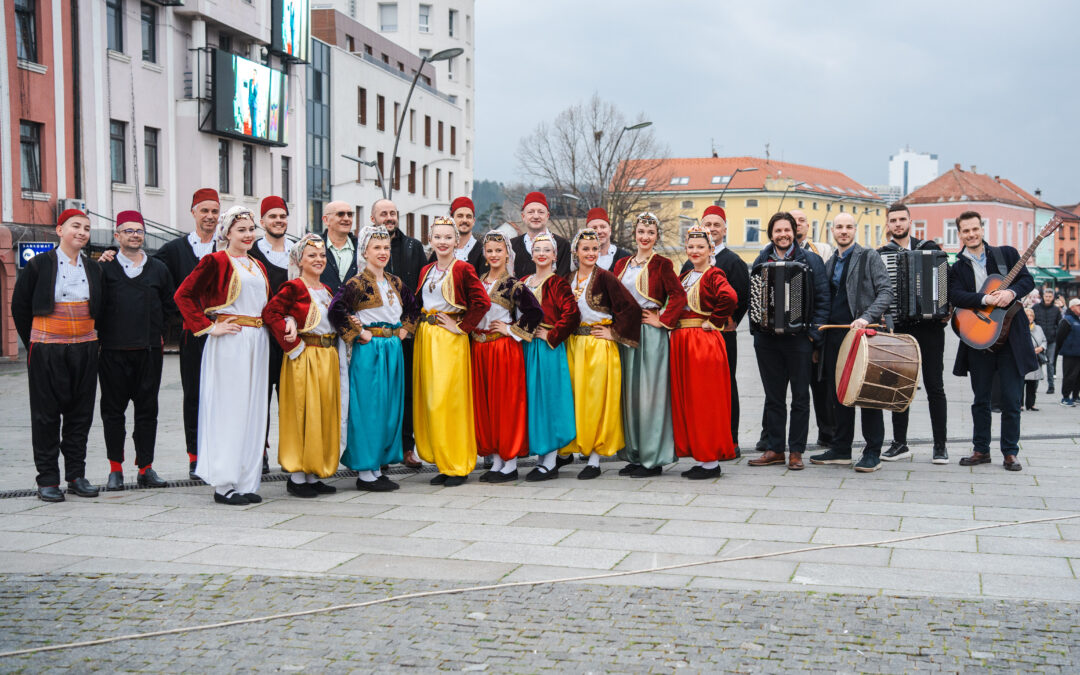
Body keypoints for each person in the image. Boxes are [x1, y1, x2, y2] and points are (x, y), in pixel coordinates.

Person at [174, 206, 271, 504]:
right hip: (231, 341)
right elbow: (183, 295)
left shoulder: (257, 264)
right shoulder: (215, 261)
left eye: (251, 229)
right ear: (227, 233)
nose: (248, 235)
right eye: (241, 230)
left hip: (258, 340)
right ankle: (224, 484)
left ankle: (245, 481)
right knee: (230, 409)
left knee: (253, 410)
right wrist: (208, 327)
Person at [12, 209, 103, 502]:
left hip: (85, 347)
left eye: (86, 228)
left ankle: (76, 475)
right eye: (76, 226)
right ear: (60, 229)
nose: (82, 232)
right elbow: (20, 306)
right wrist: (37, 342)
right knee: (46, 416)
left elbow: (103, 308)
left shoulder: (94, 268)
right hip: (46, 348)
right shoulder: (39, 265)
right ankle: (47, 479)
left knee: (81, 414)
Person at [329, 226, 420, 491]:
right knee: (368, 408)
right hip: (370, 351)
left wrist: (405, 329)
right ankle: (365, 471)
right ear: (365, 251)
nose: (382, 252)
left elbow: (413, 308)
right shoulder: (356, 284)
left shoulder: (395, 282)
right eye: (376, 248)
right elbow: (336, 311)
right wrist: (359, 332)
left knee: (389, 407)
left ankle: (377, 466)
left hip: (392, 349)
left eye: (386, 248)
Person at [950, 210, 1036, 471]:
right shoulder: (957, 266)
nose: (971, 234)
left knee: (1011, 400)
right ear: (960, 234)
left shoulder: (1005, 254)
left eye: (975, 229)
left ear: (982, 228)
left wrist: (1011, 293)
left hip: (1011, 340)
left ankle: (1010, 452)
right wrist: (985, 299)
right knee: (981, 400)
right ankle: (981, 450)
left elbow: (1027, 280)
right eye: (966, 231)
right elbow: (955, 295)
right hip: (980, 339)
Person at [809, 213, 893, 472]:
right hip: (834, 336)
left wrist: (866, 317)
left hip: (862, 335)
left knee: (867, 394)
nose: (843, 231)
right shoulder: (830, 261)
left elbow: (886, 291)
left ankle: (872, 452)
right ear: (832, 231)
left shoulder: (869, 256)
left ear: (855, 230)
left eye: (848, 227)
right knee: (840, 394)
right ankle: (841, 449)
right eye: (839, 227)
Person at [97, 210, 174, 491]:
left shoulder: (158, 269)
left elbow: (170, 306)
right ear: (117, 236)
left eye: (139, 231)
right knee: (112, 412)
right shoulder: (103, 268)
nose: (135, 235)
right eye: (128, 231)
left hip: (148, 352)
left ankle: (146, 468)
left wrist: (156, 332)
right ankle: (115, 470)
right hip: (113, 351)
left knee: (147, 411)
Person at [262, 234, 343, 498]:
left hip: (327, 357)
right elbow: (270, 313)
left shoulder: (327, 290)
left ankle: (313, 472)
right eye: (312, 255)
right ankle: (297, 476)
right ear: (299, 260)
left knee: (321, 413)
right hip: (304, 356)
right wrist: (292, 342)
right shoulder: (294, 287)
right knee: (302, 413)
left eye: (321, 255)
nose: (318, 259)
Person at [747, 213, 829, 470]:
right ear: (771, 234)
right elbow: (753, 297)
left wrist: (813, 335)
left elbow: (823, 300)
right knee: (774, 397)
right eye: (778, 230)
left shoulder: (811, 260)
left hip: (799, 339)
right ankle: (774, 449)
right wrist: (757, 330)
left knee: (801, 397)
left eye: (787, 230)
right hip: (767, 341)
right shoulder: (762, 259)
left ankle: (796, 451)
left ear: (794, 232)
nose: (783, 235)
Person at [413, 217, 491, 486]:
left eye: (448, 237)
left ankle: (458, 464)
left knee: (450, 401)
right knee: (432, 400)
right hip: (427, 338)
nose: (443, 242)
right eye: (438, 237)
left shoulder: (463, 268)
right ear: (430, 240)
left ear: (457, 241)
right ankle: (444, 462)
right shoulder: (427, 270)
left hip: (449, 341)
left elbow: (482, 302)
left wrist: (461, 327)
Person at [558, 227, 641, 479]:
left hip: (597, 347)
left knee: (596, 401)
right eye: (586, 249)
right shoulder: (568, 279)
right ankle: (573, 448)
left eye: (595, 249)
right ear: (576, 251)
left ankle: (594, 459)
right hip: (573, 346)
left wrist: (614, 332)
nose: (591, 253)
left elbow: (630, 308)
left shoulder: (606, 278)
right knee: (575, 400)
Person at [613, 213, 687, 477]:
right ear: (634, 233)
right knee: (630, 395)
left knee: (650, 395)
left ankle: (653, 458)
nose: (645, 237)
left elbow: (679, 296)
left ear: (657, 236)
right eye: (641, 232)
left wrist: (662, 319)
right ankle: (635, 454)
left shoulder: (662, 264)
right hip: (626, 334)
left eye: (650, 233)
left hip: (650, 335)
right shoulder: (621, 264)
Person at [154, 187, 220, 478]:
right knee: (193, 393)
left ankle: (220, 452)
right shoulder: (173, 250)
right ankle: (195, 456)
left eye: (215, 211)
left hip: (225, 331)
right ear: (193, 212)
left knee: (223, 394)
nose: (210, 216)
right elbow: (151, 274)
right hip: (191, 333)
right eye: (204, 210)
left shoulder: (228, 247)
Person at [877, 203, 949, 464]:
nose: (898, 224)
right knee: (899, 386)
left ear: (910, 221)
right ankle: (900, 443)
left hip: (929, 328)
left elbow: (944, 279)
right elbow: (877, 290)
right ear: (888, 224)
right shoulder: (881, 255)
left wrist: (945, 305)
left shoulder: (929, 248)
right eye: (893, 220)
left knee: (935, 386)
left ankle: (940, 445)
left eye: (902, 219)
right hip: (899, 328)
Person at [472, 232, 543, 482]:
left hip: (503, 350)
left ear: (507, 254)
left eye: (498, 251)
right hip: (479, 349)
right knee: (486, 406)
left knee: (506, 405)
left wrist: (511, 329)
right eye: (490, 251)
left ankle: (510, 463)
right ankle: (496, 461)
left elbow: (535, 313)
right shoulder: (478, 282)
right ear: (484, 253)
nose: (494, 255)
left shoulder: (514, 285)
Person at [670, 224, 738, 479]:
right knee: (690, 400)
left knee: (704, 400)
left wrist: (715, 320)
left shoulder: (713, 274)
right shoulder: (687, 275)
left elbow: (730, 297)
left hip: (701, 343)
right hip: (684, 342)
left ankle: (711, 461)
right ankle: (702, 457)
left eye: (701, 247)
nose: (695, 251)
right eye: (691, 246)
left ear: (711, 250)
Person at [680, 206, 749, 457]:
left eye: (716, 225)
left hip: (722, 333)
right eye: (707, 224)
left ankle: (731, 439)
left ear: (725, 229)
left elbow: (741, 296)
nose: (711, 228)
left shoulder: (733, 261)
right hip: (694, 336)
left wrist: (725, 321)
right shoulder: (689, 262)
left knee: (726, 384)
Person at [520, 234, 580, 481]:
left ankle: (551, 461)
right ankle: (540, 457)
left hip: (547, 350)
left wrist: (552, 334)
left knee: (550, 400)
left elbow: (572, 314)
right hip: (526, 348)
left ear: (555, 255)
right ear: (531, 254)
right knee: (533, 400)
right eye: (538, 249)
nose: (542, 253)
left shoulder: (558, 284)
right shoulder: (523, 281)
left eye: (547, 250)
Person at [377, 198, 426, 469]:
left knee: (407, 391)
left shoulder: (413, 247)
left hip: (407, 333)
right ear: (373, 218)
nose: (389, 217)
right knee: (380, 392)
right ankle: (381, 448)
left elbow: (420, 291)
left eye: (393, 213)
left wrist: (409, 327)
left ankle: (407, 447)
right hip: (376, 335)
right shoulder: (367, 247)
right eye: (383, 213)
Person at [248, 195, 293, 474]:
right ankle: (260, 452)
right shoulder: (252, 252)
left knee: (290, 399)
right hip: (262, 335)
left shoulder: (297, 252)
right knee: (260, 397)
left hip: (290, 336)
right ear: (262, 221)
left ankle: (291, 453)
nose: (278, 221)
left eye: (282, 216)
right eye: (273, 216)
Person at [791, 208, 835, 450]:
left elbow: (826, 291)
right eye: (793, 220)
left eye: (802, 220)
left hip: (814, 327)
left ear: (808, 226)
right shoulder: (772, 250)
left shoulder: (822, 250)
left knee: (821, 385)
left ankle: (827, 433)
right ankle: (769, 436)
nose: (798, 224)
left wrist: (818, 336)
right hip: (787, 332)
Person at [511, 192, 571, 277]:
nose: (536, 216)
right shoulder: (512, 246)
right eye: (531, 212)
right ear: (523, 216)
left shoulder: (562, 245)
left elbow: (564, 277)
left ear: (547, 216)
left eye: (541, 212)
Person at [430, 196, 486, 273]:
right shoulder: (441, 249)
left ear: (473, 221)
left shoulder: (482, 252)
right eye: (460, 216)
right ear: (451, 219)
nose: (464, 220)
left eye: (468, 216)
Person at [319, 201, 357, 294]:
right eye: (340, 214)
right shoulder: (314, 247)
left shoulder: (363, 249)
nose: (346, 218)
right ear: (326, 220)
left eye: (350, 214)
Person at [1032, 287, 1062, 394]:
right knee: (1037, 363)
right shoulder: (1035, 307)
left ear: (1053, 297)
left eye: (1050, 296)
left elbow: (1059, 324)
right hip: (1038, 341)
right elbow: (1032, 321)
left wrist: (1055, 334)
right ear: (1043, 297)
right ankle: (1034, 386)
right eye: (1046, 296)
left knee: (1050, 363)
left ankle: (1051, 386)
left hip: (1051, 341)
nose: (1048, 298)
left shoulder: (1056, 310)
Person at [586, 207, 632, 271]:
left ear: (610, 230)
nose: (599, 231)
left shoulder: (626, 259)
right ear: (587, 232)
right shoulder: (582, 260)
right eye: (594, 228)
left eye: (603, 227)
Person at [1055, 299, 1080, 407]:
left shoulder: (1078, 319)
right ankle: (1065, 398)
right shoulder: (1067, 320)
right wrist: (1065, 348)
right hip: (1070, 354)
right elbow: (1059, 337)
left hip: (1078, 354)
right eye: (1078, 305)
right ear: (1072, 307)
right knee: (1069, 376)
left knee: (1078, 377)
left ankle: (1075, 396)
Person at [1024, 307, 1046, 412]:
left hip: (1035, 358)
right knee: (1021, 384)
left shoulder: (1039, 328)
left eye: (1031, 315)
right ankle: (1019, 404)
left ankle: (1031, 404)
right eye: (1027, 315)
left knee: (1033, 384)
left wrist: (1041, 348)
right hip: (1024, 358)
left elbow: (1044, 340)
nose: (1029, 317)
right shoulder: (1020, 327)